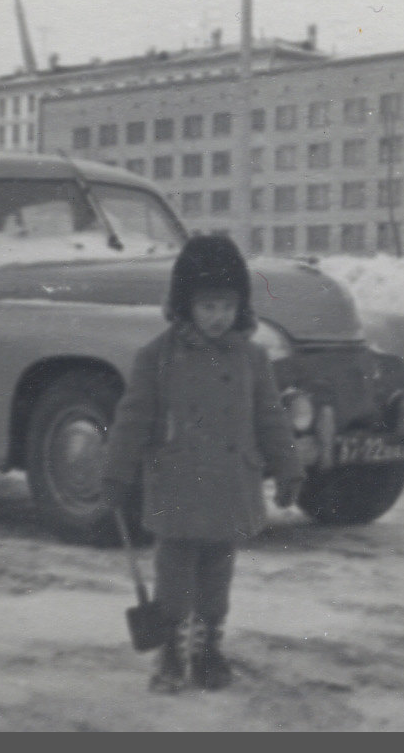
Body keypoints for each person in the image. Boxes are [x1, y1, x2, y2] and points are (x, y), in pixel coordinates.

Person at [100, 234, 306, 693]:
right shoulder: (157, 357)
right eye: (209, 305)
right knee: (175, 575)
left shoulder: (252, 357)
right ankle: (173, 650)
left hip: (231, 485)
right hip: (179, 484)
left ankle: (210, 645)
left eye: (228, 306)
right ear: (185, 303)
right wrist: (117, 473)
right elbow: (131, 420)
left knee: (216, 576)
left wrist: (288, 467)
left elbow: (271, 417)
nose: (219, 316)